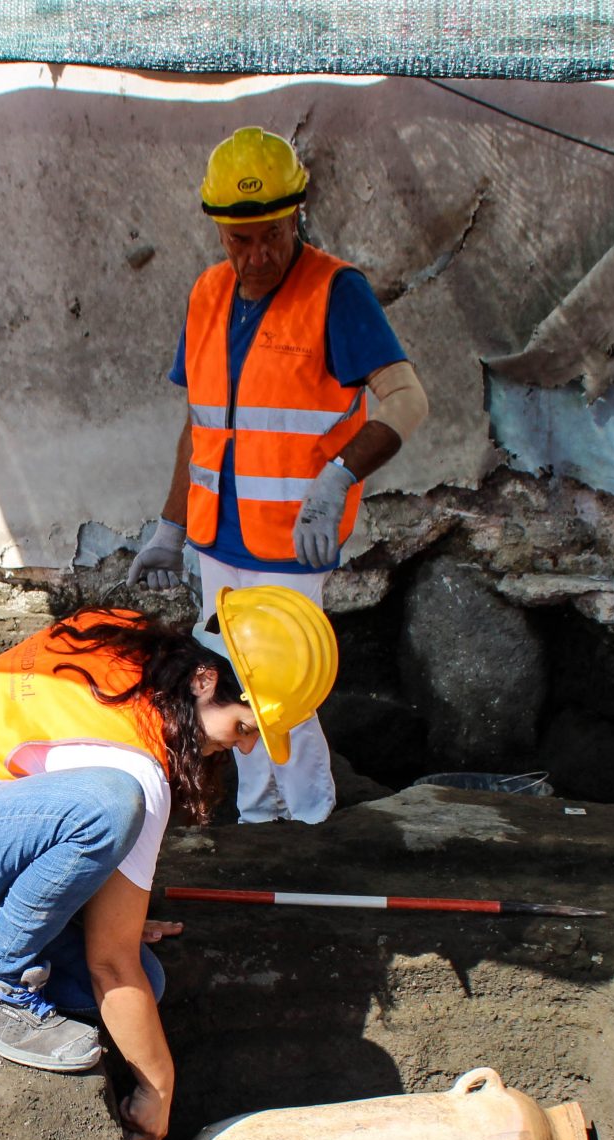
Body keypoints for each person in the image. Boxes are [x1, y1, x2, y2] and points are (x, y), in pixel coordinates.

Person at [0, 589, 337, 1140]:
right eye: (247, 724)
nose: (245, 746)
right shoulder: (133, 768)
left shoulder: (117, 641)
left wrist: (105, 909)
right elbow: (111, 962)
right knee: (109, 812)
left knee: (144, 985)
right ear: (204, 680)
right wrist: (159, 1089)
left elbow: (30, 797)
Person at [124, 126, 427, 828]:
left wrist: (338, 479)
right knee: (236, 695)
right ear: (219, 231)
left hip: (292, 543)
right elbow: (198, 427)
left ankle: (314, 816)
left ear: (297, 215)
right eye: (241, 240)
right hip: (216, 543)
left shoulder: (337, 291)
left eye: (273, 234)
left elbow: (410, 401)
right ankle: (262, 818)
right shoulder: (205, 295)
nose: (258, 255)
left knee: (282, 694)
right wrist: (171, 525)